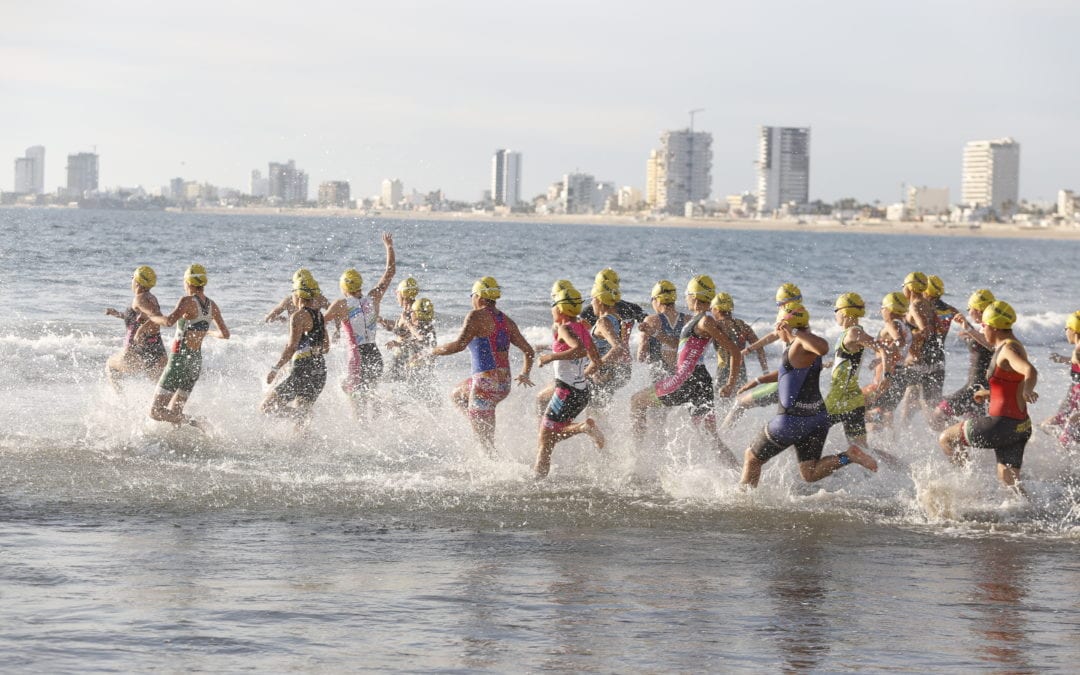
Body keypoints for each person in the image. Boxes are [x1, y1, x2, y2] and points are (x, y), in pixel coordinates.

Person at [739, 303, 877, 488]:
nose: (775, 329)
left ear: (783, 325)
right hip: (816, 420)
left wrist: (794, 331)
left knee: (752, 457)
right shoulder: (804, 346)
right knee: (809, 473)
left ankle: (746, 501)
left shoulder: (799, 343)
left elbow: (823, 347)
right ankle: (848, 457)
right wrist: (758, 380)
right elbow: (787, 372)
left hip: (791, 421)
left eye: (777, 324)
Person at [630, 275, 742, 467]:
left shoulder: (704, 321)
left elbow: (734, 351)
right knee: (710, 438)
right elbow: (682, 345)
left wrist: (730, 383)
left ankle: (636, 458)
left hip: (685, 379)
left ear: (696, 298)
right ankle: (740, 474)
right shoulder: (698, 320)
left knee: (636, 402)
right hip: (700, 381)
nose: (686, 299)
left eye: (688, 295)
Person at [939, 301, 1038, 492]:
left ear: (993, 327)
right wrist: (989, 393)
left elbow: (1029, 371)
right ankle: (1026, 513)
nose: (982, 330)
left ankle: (967, 487)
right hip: (1020, 426)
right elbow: (1011, 383)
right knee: (1011, 485)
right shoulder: (1011, 345)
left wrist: (1028, 389)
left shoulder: (1008, 350)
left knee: (946, 439)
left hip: (1001, 425)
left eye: (983, 327)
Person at [431, 276, 535, 451]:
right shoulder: (506, 321)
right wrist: (525, 373)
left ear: (479, 296)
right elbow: (529, 351)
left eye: (472, 296)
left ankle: (498, 469)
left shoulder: (476, 316)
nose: (472, 300)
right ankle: (478, 421)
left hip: (485, 384)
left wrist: (431, 352)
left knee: (485, 446)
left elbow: (458, 345)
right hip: (503, 384)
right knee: (457, 395)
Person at [321, 233, 396, 418]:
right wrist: (389, 246)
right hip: (375, 355)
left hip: (358, 357)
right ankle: (379, 424)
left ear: (343, 287)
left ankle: (364, 430)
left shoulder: (341, 304)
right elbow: (390, 272)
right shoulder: (373, 298)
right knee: (366, 394)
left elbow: (318, 323)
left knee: (358, 401)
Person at [146, 264, 230, 429]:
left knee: (155, 412)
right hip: (195, 363)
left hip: (179, 361)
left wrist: (152, 316)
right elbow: (225, 334)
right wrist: (206, 332)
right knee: (174, 414)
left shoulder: (187, 301)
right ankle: (179, 444)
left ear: (189, 283)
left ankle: (197, 422)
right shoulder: (212, 305)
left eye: (184, 281)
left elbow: (169, 321)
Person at [534, 286, 605, 478]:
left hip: (565, 392)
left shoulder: (564, 328)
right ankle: (582, 428)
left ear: (561, 308)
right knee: (551, 436)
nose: (552, 310)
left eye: (553, 305)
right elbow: (596, 360)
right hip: (581, 392)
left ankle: (536, 483)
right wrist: (583, 374)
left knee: (545, 440)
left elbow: (580, 350)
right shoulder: (582, 328)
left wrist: (550, 357)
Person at [823, 293, 900, 467]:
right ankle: (895, 466)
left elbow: (884, 350)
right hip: (853, 401)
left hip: (838, 400)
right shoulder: (849, 334)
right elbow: (848, 359)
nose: (835, 313)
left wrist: (886, 376)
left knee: (805, 434)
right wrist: (828, 364)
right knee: (861, 449)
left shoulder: (853, 332)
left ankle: (807, 474)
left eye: (836, 310)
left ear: (845, 312)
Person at [261, 275, 329, 430]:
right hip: (319, 370)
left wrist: (275, 368)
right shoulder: (319, 315)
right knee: (301, 421)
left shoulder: (298, 316)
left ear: (298, 295)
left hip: (302, 370)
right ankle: (304, 446)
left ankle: (300, 416)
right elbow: (326, 347)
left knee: (267, 407)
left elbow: (291, 347)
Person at [929, 289, 996, 431]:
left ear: (978, 309)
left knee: (937, 416)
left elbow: (992, 346)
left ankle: (955, 435)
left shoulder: (992, 327)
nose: (968, 312)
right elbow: (984, 343)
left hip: (976, 388)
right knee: (971, 430)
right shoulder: (986, 327)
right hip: (978, 387)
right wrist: (969, 333)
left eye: (969, 308)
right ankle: (959, 439)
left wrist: (969, 330)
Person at [105, 265, 167, 387]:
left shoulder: (139, 299)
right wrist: (117, 314)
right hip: (157, 351)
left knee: (110, 366)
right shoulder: (151, 298)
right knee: (161, 390)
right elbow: (139, 319)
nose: (131, 280)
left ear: (138, 281)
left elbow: (157, 316)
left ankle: (120, 403)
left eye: (132, 277)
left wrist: (140, 331)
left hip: (135, 353)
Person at [864, 291, 912, 431]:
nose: (881, 309)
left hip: (888, 374)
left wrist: (881, 358)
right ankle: (889, 446)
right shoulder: (904, 325)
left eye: (883, 306)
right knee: (885, 412)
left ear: (890, 309)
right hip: (900, 376)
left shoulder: (892, 323)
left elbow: (899, 341)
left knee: (856, 407)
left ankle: (873, 440)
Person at [587, 280, 633, 410]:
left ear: (600, 301)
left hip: (604, 371)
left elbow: (618, 348)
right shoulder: (618, 319)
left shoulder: (603, 322)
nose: (591, 303)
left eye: (592, 299)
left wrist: (594, 368)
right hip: (617, 369)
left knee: (594, 414)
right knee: (599, 413)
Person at [710, 291, 767, 394]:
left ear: (717, 309)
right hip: (741, 373)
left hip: (723, 373)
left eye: (711, 309)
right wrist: (765, 371)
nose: (711, 312)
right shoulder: (742, 325)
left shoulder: (715, 326)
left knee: (717, 406)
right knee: (737, 406)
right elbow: (760, 347)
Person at [918, 274, 962, 409]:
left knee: (917, 397)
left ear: (925, 291)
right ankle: (939, 424)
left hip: (923, 356)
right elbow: (965, 324)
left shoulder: (922, 309)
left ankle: (903, 428)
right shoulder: (950, 310)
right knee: (935, 398)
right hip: (939, 357)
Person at [1041, 310, 1080, 448]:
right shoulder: (1077, 350)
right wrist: (1063, 359)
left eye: (1066, 328)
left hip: (1078, 398)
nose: (1065, 332)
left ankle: (1071, 466)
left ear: (1074, 330)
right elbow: (1076, 361)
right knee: (1048, 424)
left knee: (1066, 434)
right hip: (1074, 396)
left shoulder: (1078, 350)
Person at [637, 279, 688, 381]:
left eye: (652, 300)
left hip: (661, 378)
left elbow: (641, 356)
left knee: (635, 397)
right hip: (683, 376)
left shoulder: (651, 320)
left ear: (658, 300)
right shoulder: (688, 319)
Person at [383, 276, 421, 381]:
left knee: (386, 380)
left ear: (403, 294)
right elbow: (404, 330)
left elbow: (418, 337)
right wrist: (384, 322)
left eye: (397, 293)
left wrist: (397, 344)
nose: (396, 295)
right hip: (402, 355)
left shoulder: (412, 312)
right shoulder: (407, 310)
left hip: (405, 357)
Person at [264, 268, 329, 322]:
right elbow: (336, 312)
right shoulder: (320, 298)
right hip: (316, 334)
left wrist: (281, 319)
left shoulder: (289, 300)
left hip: (295, 333)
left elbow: (268, 318)